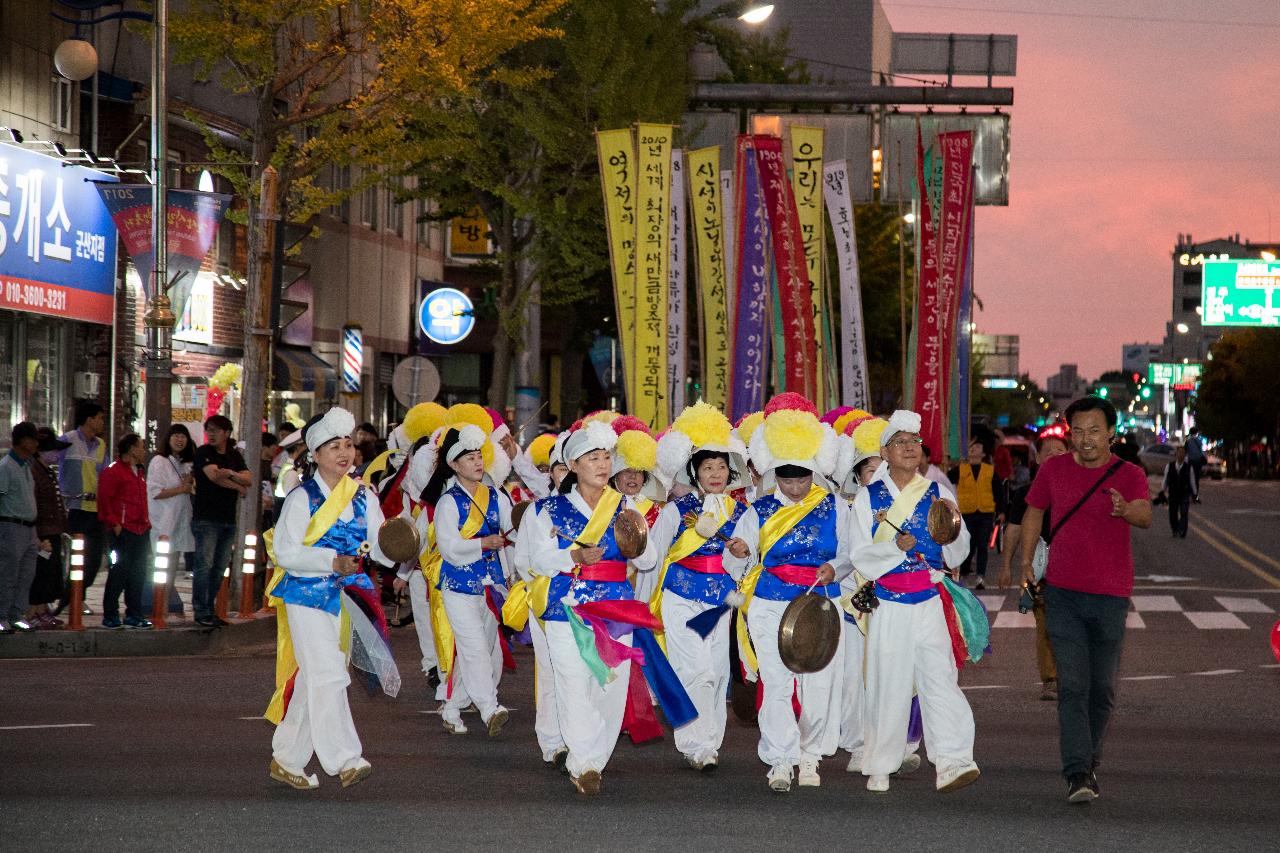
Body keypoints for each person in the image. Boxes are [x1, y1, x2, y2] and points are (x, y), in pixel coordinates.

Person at [1019, 395, 1151, 805]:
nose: (1086, 439)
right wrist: (1026, 559)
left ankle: (1088, 759)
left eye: (1095, 430)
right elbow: (1034, 512)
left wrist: (1125, 509)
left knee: (1102, 690)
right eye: (1078, 431)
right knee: (1073, 685)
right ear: (1069, 432)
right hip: (1063, 593)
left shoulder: (1129, 473)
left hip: (1111, 595)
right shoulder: (1053, 469)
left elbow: (1145, 514)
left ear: (1111, 431)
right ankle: (1077, 772)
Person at [524, 420, 665, 795]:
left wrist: (637, 533)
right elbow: (535, 560)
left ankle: (592, 758)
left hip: (615, 606)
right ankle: (585, 763)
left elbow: (649, 561)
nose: (602, 465)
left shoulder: (625, 506)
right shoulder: (548, 509)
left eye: (607, 457)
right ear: (573, 465)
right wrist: (571, 554)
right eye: (592, 457)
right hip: (565, 605)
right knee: (573, 681)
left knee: (610, 687)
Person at [723, 396, 851, 793]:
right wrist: (740, 552)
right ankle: (780, 758)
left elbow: (851, 552)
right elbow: (738, 557)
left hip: (820, 603)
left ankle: (811, 755)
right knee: (776, 682)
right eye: (787, 479)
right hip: (770, 602)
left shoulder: (835, 507)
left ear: (814, 472)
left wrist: (838, 567)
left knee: (820, 683)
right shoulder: (757, 510)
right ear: (774, 474)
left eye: (802, 478)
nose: (795, 487)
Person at [848, 410, 979, 795]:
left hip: (929, 599)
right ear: (885, 452)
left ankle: (954, 760)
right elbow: (859, 555)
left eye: (914, 443)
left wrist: (953, 532)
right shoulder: (867, 498)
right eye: (900, 443)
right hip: (888, 602)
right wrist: (892, 549)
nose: (909, 448)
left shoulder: (939, 492)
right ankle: (880, 765)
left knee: (940, 678)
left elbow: (958, 553)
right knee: (888, 682)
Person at [266, 407, 394, 790]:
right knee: (328, 674)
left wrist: (402, 541)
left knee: (315, 678)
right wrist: (330, 561)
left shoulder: (364, 497)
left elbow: (382, 548)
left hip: (348, 598)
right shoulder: (301, 498)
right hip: (305, 596)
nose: (344, 452)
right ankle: (345, 759)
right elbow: (285, 554)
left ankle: (287, 757)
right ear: (315, 454)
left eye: (349, 445)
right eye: (333, 445)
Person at [648, 402, 750, 771]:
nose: (716, 473)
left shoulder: (741, 513)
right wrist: (644, 605)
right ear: (695, 472)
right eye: (708, 467)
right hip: (680, 597)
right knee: (696, 671)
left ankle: (710, 741)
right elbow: (654, 558)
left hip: (720, 600)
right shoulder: (675, 511)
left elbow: (747, 565)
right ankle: (695, 745)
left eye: (722, 466)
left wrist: (741, 552)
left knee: (717, 672)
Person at [421, 423, 515, 737]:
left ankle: (451, 706)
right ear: (453, 465)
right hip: (458, 587)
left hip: (491, 586)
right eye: (469, 457)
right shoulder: (448, 503)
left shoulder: (497, 497)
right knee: (474, 647)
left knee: (482, 648)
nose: (477, 462)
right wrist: (482, 544)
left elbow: (511, 534)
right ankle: (490, 708)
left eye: (479, 456)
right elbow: (449, 549)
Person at [999, 423, 1070, 701]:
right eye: (1048, 451)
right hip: (1041, 569)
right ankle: (1051, 679)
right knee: (1047, 625)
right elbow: (1014, 530)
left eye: (1060, 450)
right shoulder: (1025, 493)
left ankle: (1071, 675)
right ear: (1037, 458)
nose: (1054, 454)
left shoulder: (1077, 490)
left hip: (1075, 569)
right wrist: (1007, 566)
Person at [192, 415, 251, 628]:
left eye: (216, 430)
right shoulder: (203, 453)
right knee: (203, 566)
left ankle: (210, 608)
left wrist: (230, 473)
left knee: (219, 568)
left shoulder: (234, 455)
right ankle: (201, 611)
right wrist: (238, 485)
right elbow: (214, 476)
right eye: (209, 430)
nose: (212, 434)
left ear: (226, 433)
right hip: (205, 518)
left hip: (228, 520)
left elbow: (249, 478)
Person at [56, 401, 109, 613]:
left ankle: (77, 595)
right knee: (75, 557)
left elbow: (104, 474)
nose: (102, 422)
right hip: (74, 508)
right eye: (100, 417)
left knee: (94, 560)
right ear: (89, 419)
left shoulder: (101, 445)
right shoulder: (67, 440)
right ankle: (71, 599)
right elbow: (47, 459)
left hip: (95, 509)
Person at [97, 434, 153, 630]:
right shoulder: (113, 472)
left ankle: (134, 614)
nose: (144, 450)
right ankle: (110, 614)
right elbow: (104, 500)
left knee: (138, 574)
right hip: (124, 530)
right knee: (119, 573)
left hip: (141, 529)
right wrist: (114, 524)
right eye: (141, 446)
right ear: (131, 449)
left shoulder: (139, 472)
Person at [148, 424, 196, 618]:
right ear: (168, 439)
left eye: (183, 436)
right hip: (162, 523)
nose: (179, 440)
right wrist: (182, 489)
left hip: (179, 522)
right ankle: (158, 607)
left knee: (172, 568)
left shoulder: (185, 464)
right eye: (176, 436)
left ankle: (165, 605)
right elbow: (155, 492)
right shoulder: (159, 461)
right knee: (162, 568)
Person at [27, 428, 71, 629]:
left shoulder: (47, 471)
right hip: (42, 531)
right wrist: (36, 536)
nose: (56, 454)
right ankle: (33, 611)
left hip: (52, 530)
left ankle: (43, 609)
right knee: (40, 572)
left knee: (50, 572)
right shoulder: (33, 470)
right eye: (53, 450)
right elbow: (33, 503)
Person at [0, 422, 41, 633]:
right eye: (32, 439)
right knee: (8, 573)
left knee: (26, 574)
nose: (35, 444)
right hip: (11, 525)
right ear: (22, 441)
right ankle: (2, 615)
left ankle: (17, 614)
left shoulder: (27, 465)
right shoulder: (6, 466)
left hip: (29, 528)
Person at [949, 435, 1004, 590]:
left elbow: (998, 492)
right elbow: (946, 481)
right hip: (966, 512)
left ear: (983, 454)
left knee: (982, 545)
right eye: (972, 447)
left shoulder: (990, 470)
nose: (974, 449)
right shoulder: (960, 469)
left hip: (985, 512)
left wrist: (1001, 510)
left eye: (978, 447)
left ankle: (981, 576)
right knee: (968, 543)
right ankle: (965, 571)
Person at [1160, 445, 1198, 538]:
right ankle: (1175, 529)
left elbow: (1192, 481)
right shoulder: (1170, 466)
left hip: (1184, 493)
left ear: (1185, 455)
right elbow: (1166, 479)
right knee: (1173, 513)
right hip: (1173, 493)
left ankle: (1182, 530)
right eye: (1179, 452)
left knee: (1184, 512)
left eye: (1183, 453)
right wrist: (1162, 491)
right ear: (1176, 454)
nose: (1181, 455)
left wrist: (1195, 494)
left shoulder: (1189, 467)